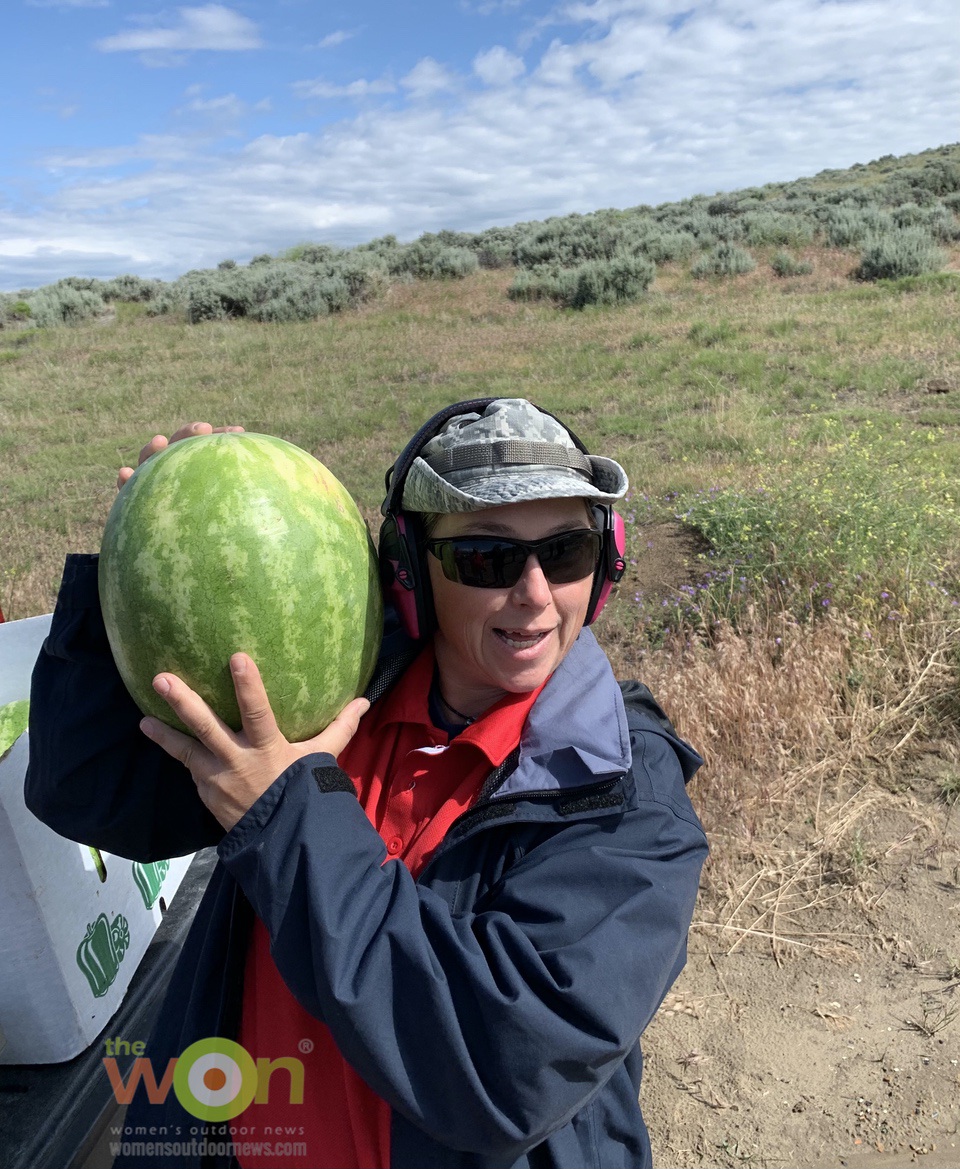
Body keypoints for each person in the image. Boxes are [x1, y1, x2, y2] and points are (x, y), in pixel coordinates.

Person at [26, 398, 708, 1169]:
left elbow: (500, 1064)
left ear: (606, 562)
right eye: (487, 558)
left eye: (567, 551)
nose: (536, 594)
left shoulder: (621, 787)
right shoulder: (325, 697)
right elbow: (82, 788)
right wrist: (132, 546)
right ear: (408, 569)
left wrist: (287, 816)